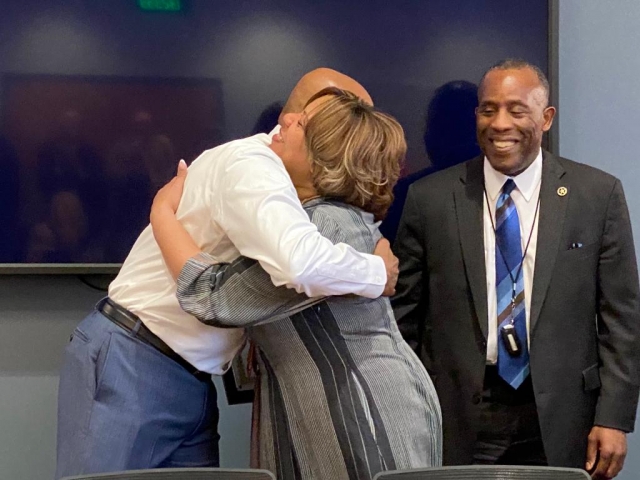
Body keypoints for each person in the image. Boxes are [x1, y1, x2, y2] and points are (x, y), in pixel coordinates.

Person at [55, 69, 399, 479]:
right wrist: (378, 273)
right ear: (298, 121)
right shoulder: (253, 167)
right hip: (135, 356)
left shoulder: (309, 196)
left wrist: (162, 213)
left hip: (191, 375)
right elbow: (298, 263)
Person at [150, 88, 442, 480]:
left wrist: (162, 212)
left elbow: (214, 297)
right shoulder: (314, 222)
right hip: (329, 404)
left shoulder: (326, 226)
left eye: (302, 123)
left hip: (363, 408)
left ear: (326, 156)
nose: (285, 119)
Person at [392, 59, 640, 479]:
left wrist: (614, 418)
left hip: (563, 416)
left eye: (516, 110)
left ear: (546, 118)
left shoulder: (596, 196)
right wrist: (405, 408)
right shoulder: (429, 198)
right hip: (460, 415)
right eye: (488, 110)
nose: (500, 123)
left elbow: (622, 319)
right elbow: (403, 319)